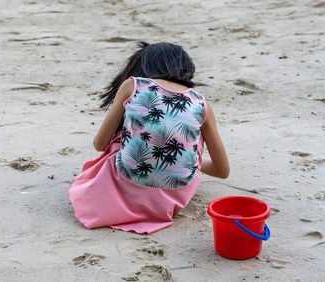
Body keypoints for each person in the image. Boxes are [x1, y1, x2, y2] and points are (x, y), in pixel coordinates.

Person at [68, 42, 229, 234]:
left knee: (126, 135)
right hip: (175, 195)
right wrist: (185, 159)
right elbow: (222, 171)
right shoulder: (201, 103)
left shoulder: (133, 86)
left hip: (128, 181)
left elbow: (100, 144)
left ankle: (122, 198)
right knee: (188, 133)